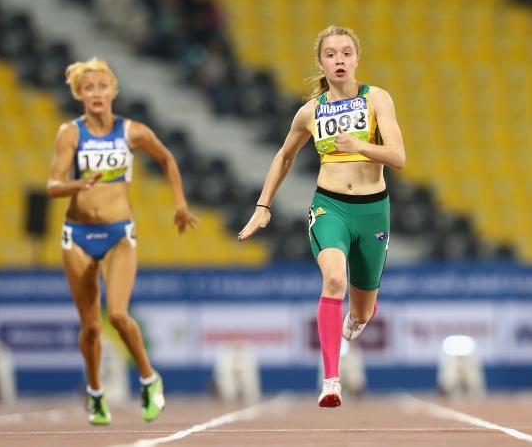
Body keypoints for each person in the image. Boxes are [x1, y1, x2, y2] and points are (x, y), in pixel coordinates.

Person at [237, 25, 405, 408]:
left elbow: (399, 157)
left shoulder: (377, 99)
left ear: (356, 58)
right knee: (333, 279)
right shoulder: (310, 112)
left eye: (346, 52)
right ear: (321, 62)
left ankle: (358, 317)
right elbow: (284, 156)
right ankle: (331, 381)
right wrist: (263, 208)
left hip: (373, 210)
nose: (339, 60)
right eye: (331, 54)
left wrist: (358, 146)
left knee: (362, 309)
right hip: (330, 206)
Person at [46, 57, 196, 425]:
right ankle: (96, 393)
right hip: (77, 235)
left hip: (118, 234)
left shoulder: (133, 132)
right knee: (91, 327)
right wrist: (76, 185)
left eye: (102, 86)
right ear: (80, 95)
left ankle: (148, 377)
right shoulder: (70, 133)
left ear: (113, 91)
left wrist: (179, 203)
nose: (96, 93)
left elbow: (167, 158)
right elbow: (52, 185)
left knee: (116, 314)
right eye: (88, 88)